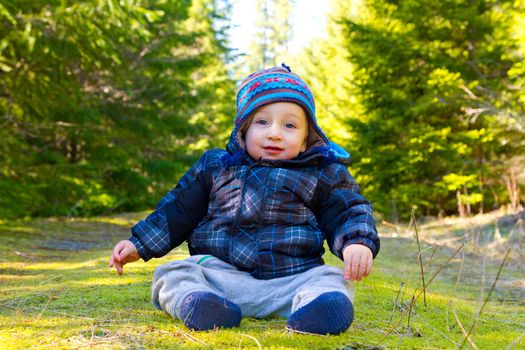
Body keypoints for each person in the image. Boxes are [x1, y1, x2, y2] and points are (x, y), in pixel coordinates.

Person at [109, 64, 380, 335]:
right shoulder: (216, 167)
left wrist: (357, 242)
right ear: (243, 130)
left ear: (306, 139)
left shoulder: (322, 173)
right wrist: (139, 244)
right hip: (220, 278)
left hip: (292, 279)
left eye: (289, 125)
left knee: (332, 279)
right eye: (262, 122)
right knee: (173, 273)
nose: (274, 132)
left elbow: (349, 210)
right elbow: (178, 211)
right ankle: (203, 306)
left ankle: (315, 314)